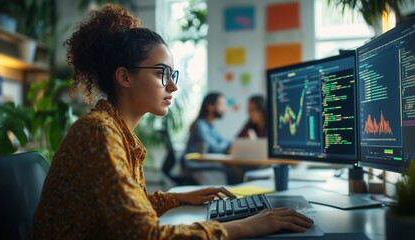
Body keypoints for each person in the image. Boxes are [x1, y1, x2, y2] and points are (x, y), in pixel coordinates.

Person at [28, 4, 313, 240]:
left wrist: (178, 198)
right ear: (125, 77)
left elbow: (128, 207)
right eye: (162, 73)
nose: (173, 87)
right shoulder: (99, 132)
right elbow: (146, 234)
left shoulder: (114, 130)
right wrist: (247, 226)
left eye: (173, 75)